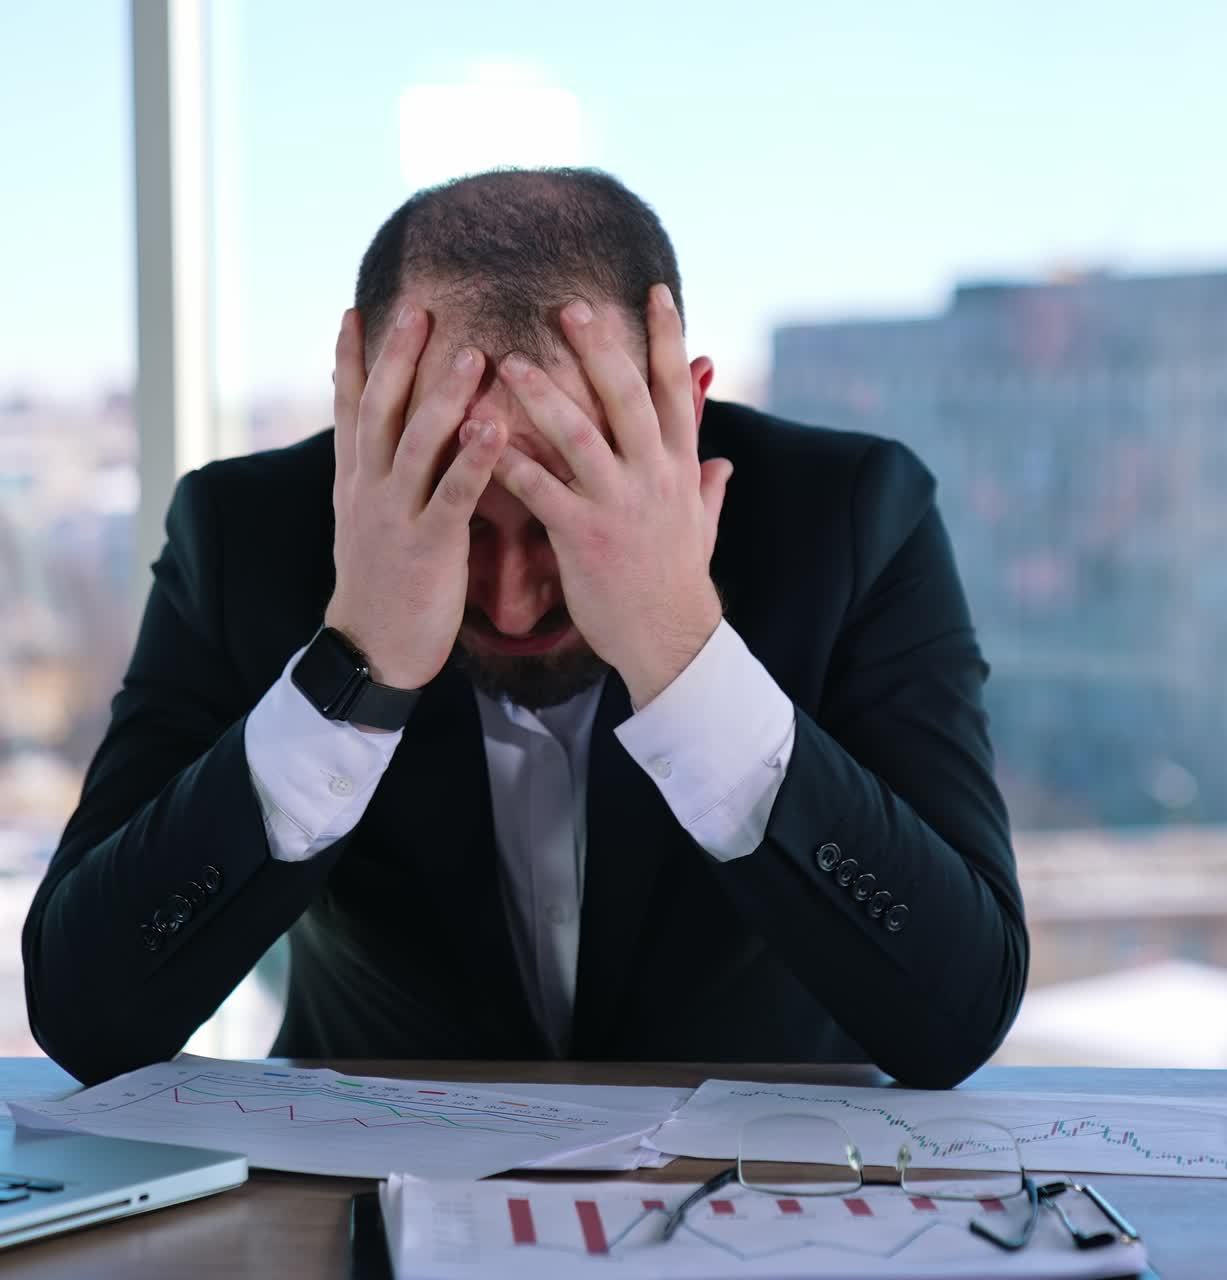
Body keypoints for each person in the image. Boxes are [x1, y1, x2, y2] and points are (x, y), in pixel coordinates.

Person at [23, 168, 1027, 1089]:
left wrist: (683, 653)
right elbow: (86, 1014)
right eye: (453, 516)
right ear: (366, 421)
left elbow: (956, 1010)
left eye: (561, 514)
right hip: (368, 1196)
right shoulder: (244, 535)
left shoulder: (853, 518)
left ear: (679, 412)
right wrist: (352, 667)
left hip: (758, 1212)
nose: (509, 603)